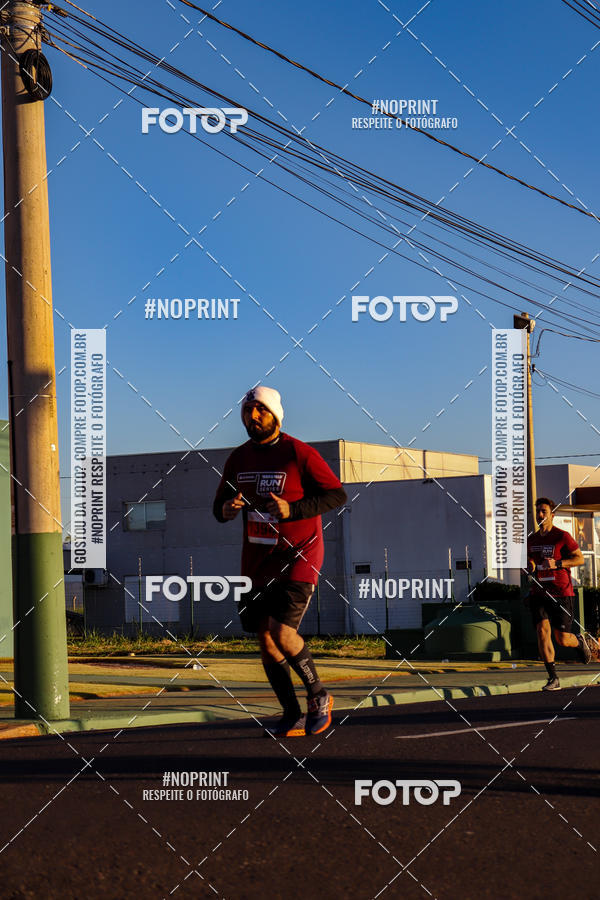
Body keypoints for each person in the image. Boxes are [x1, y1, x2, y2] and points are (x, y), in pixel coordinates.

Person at [213, 386, 347, 736]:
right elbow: (219, 506)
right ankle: (291, 714)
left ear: (275, 414)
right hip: (257, 562)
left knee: (282, 632)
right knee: (265, 639)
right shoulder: (238, 459)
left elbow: (336, 494)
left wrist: (294, 509)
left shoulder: (298, 453)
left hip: (299, 555)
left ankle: (319, 695)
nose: (252, 417)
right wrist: (226, 510)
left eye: (260, 410)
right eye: (247, 411)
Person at [527, 497, 591, 691]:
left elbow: (579, 559)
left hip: (561, 593)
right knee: (542, 632)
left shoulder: (562, 536)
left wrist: (558, 563)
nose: (539, 515)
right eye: (537, 511)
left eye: (543, 511)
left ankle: (579, 641)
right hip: (539, 593)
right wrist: (529, 567)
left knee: (562, 638)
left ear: (552, 515)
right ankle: (553, 678)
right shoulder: (531, 540)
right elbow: (530, 562)